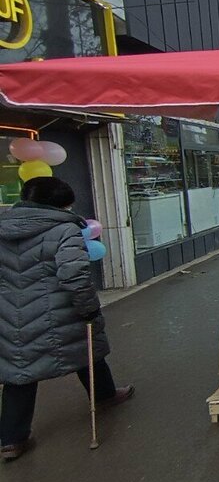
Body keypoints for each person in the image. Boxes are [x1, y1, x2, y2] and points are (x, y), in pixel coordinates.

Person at [0, 177, 134, 461]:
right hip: (58, 309)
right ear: (61, 203)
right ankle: (105, 396)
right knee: (87, 350)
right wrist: (88, 308)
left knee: (19, 371)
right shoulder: (64, 229)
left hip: (11, 313)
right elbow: (74, 275)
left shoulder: (4, 227)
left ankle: (12, 439)